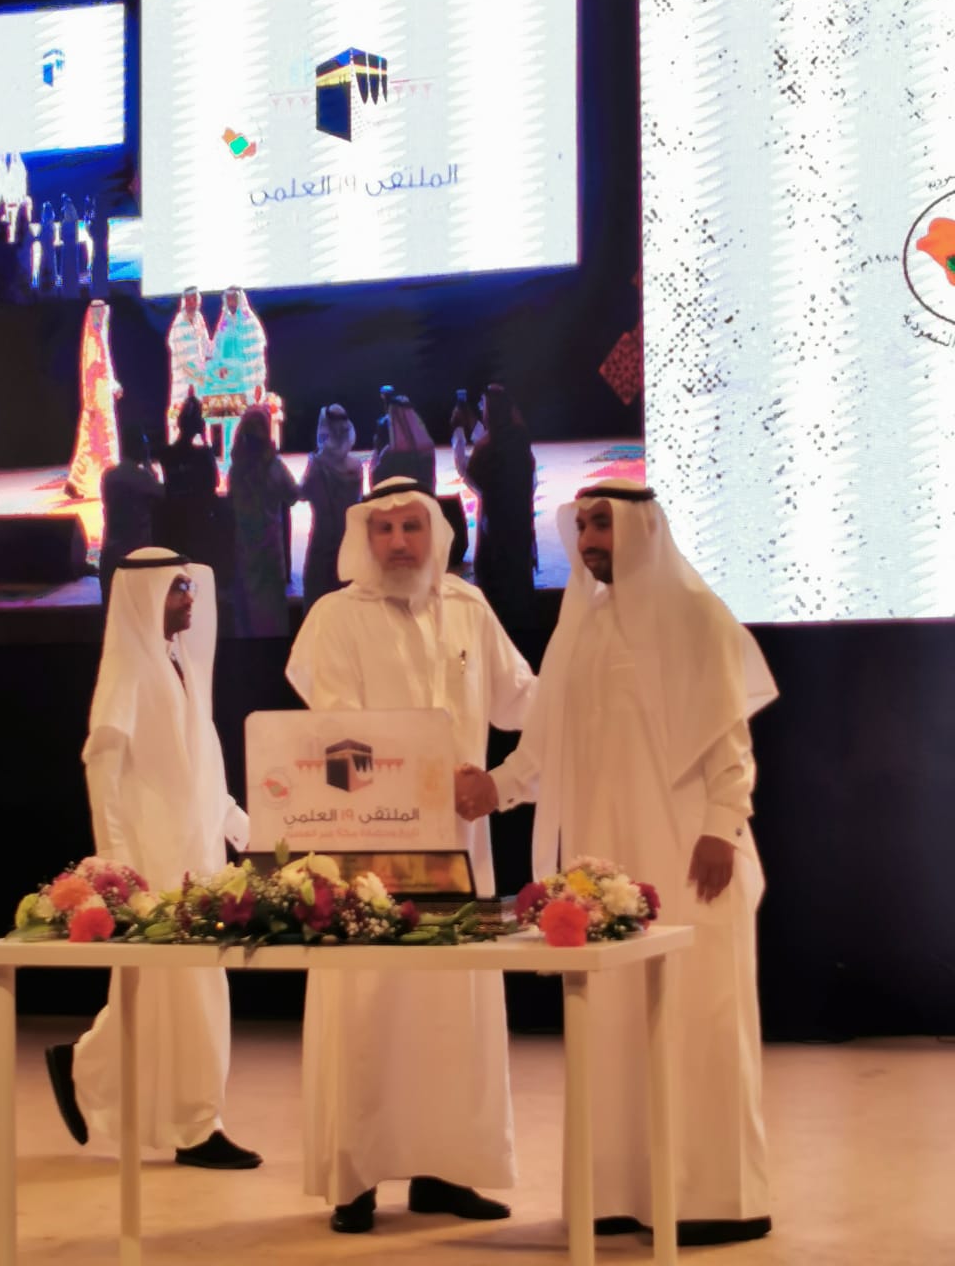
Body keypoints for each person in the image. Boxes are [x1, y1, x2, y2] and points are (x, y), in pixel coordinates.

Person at [457, 479, 778, 1247]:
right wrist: (494, 788)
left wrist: (722, 827)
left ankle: (712, 1199)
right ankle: (618, 1193)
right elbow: (543, 747)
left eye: (604, 524)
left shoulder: (696, 615)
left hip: (693, 858)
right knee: (612, 1025)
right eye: (583, 526)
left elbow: (731, 744)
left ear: (641, 528)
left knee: (699, 1021)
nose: (591, 540)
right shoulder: (582, 629)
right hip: (607, 867)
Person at [285, 477, 536, 1234]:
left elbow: (525, 702)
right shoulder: (335, 618)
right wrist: (430, 776)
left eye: (411, 527)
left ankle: (443, 1172)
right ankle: (355, 1180)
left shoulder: (469, 608)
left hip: (461, 846)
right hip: (369, 848)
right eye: (385, 528)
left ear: (436, 533)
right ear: (364, 536)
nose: (398, 543)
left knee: (452, 1008)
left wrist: (505, 782)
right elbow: (337, 733)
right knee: (367, 1008)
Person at [44, 547, 262, 1171]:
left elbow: (201, 771)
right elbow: (103, 765)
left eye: (190, 587)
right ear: (145, 598)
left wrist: (246, 830)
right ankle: (196, 1127)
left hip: (196, 857)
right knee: (180, 995)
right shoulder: (130, 671)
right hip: (154, 864)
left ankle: (89, 1066)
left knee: (179, 992)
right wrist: (115, 863)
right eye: (176, 589)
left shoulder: (178, 665)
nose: (189, 600)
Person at [455, 384, 537, 632]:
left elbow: (473, 479)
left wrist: (459, 442)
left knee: (495, 578)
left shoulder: (487, 448)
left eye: (484, 405)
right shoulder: (520, 440)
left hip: (496, 525)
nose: (482, 409)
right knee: (518, 577)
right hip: (520, 520)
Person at [226, 406, 298, 636]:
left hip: (245, 549)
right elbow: (293, 495)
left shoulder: (236, 470)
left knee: (247, 613)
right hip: (269, 551)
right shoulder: (274, 467)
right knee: (271, 615)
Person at [299, 403, 362, 609]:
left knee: (319, 600)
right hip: (349, 539)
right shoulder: (356, 467)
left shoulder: (317, 465)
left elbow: (302, 493)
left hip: (322, 541)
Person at [98, 425, 164, 608]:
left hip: (111, 554)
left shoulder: (109, 476)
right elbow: (163, 494)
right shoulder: (142, 478)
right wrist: (149, 465)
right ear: (139, 448)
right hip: (136, 554)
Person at [65, 300, 122, 500]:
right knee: (102, 439)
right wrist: (91, 402)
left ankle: (76, 481)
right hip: (96, 398)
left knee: (91, 440)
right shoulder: (92, 339)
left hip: (102, 394)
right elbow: (90, 373)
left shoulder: (100, 336)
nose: (99, 317)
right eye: (96, 313)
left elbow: (106, 368)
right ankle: (113, 481)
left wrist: (113, 385)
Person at [158, 392, 220, 571]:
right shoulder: (203, 455)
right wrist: (205, 440)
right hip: (198, 522)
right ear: (200, 426)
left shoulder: (166, 454)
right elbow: (214, 483)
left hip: (174, 521)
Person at [203, 286, 267, 410]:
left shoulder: (250, 322)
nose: (231, 302)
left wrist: (259, 382)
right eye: (228, 299)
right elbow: (216, 350)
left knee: (248, 415)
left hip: (247, 382)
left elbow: (258, 356)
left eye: (234, 298)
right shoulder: (224, 324)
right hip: (228, 382)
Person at [166, 287, 212, 433]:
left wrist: (215, 362)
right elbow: (184, 359)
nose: (192, 303)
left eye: (195, 299)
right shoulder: (179, 324)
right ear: (184, 302)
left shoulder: (199, 319)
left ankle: (204, 443)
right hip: (183, 377)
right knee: (179, 412)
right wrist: (201, 375)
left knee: (202, 414)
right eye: (189, 300)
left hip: (199, 377)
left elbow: (206, 345)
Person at [369, 393, 436, 492]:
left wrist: (376, 452)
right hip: (423, 498)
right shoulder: (427, 447)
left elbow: (375, 482)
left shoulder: (388, 454)